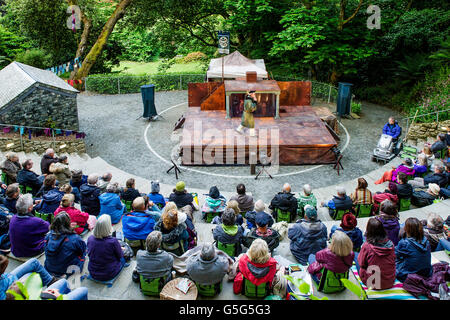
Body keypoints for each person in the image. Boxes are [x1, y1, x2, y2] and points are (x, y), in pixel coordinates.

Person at [44, 212, 87, 277]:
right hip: (67, 270)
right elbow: (82, 250)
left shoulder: (48, 236)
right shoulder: (74, 238)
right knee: (84, 247)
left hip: (49, 268)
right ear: (68, 223)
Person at [357, 218, 396, 290]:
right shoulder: (391, 244)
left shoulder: (367, 246)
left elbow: (361, 263)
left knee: (356, 255)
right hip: (389, 282)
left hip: (373, 284)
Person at [87, 214, 126, 282]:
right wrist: (120, 249)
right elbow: (120, 255)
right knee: (124, 258)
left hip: (93, 272)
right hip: (109, 273)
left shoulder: (90, 238)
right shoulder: (113, 241)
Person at [395, 217, 432, 282]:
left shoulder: (404, 243)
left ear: (406, 229)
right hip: (426, 273)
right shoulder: (426, 241)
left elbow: (394, 255)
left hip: (408, 275)